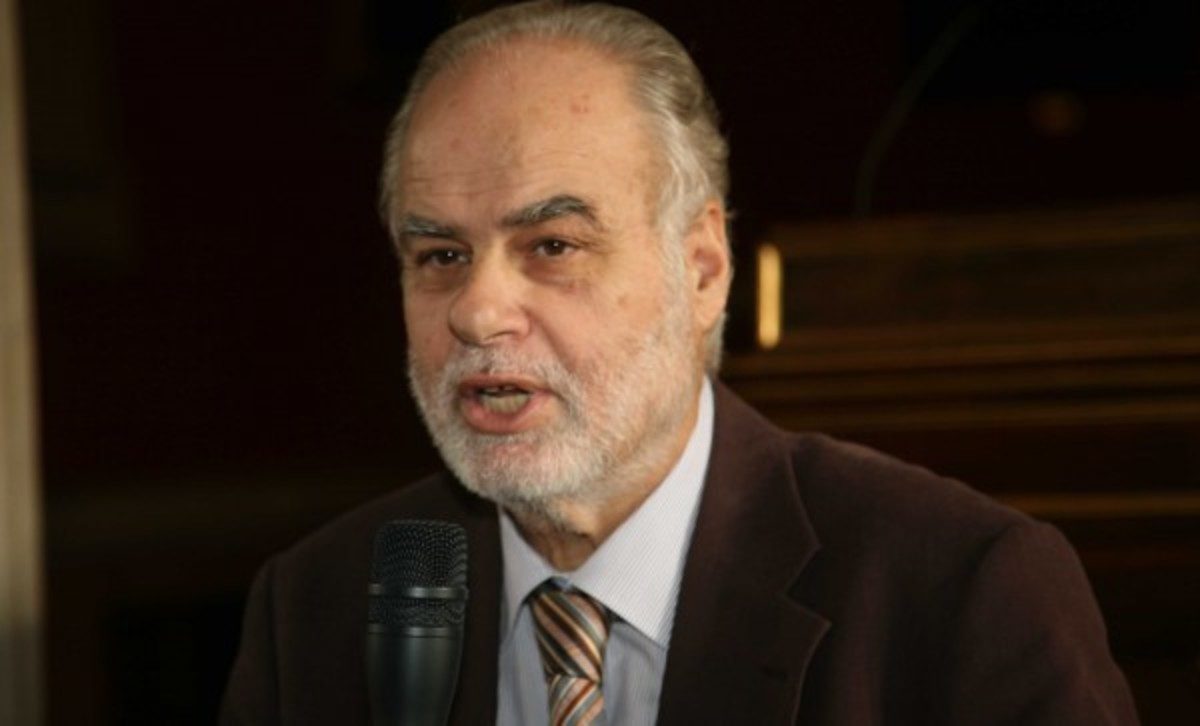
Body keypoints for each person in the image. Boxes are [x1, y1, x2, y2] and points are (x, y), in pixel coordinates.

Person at [221, 2, 1140, 724]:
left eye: (552, 245)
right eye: (440, 255)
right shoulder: (313, 610)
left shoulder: (959, 593)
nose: (477, 310)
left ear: (701, 269)